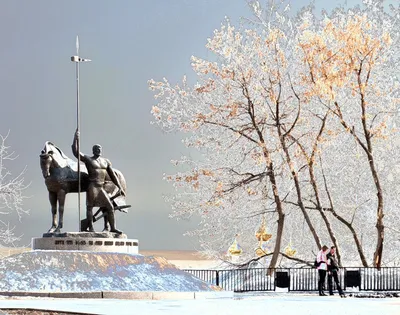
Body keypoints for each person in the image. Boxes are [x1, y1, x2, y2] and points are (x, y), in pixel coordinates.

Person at [72, 129, 125, 234]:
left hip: (101, 188)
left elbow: (113, 175)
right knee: (90, 207)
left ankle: (112, 228)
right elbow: (76, 152)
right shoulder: (88, 159)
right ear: (93, 150)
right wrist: (76, 139)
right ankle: (90, 228)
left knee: (109, 207)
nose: (98, 150)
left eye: (100, 148)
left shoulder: (105, 162)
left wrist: (119, 186)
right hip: (92, 186)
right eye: (96, 148)